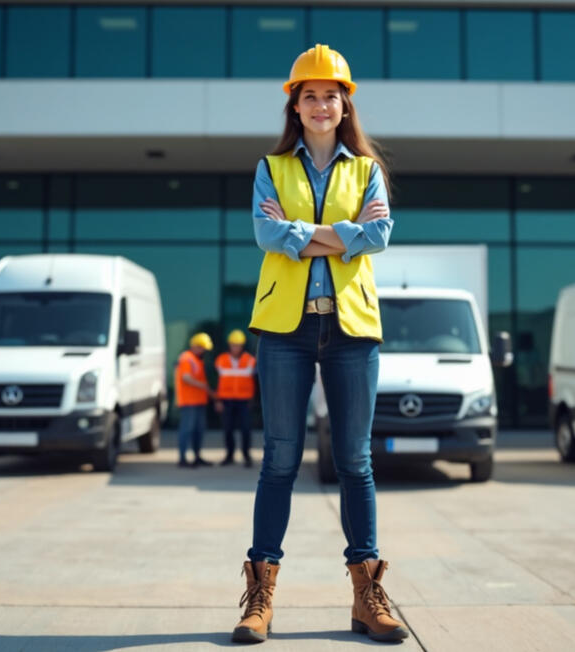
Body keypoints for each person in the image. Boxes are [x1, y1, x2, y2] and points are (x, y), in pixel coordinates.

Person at [231, 44, 408, 644]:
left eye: (331, 94)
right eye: (309, 94)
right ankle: (260, 598)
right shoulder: (270, 168)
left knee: (356, 462)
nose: (321, 103)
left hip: (351, 329)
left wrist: (299, 234)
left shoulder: (366, 169)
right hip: (284, 328)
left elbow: (380, 233)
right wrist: (343, 235)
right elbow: (265, 233)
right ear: (295, 105)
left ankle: (368, 596)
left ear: (344, 103)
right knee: (279, 460)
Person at [214, 329, 256, 467]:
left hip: (244, 400)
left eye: (238, 345)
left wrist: (252, 400)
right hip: (226, 400)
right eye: (233, 344)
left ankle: (246, 455)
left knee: (246, 429)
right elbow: (218, 381)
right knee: (228, 429)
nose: (235, 348)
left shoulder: (250, 360)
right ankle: (229, 455)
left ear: (242, 346)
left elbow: (255, 381)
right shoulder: (221, 360)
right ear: (229, 345)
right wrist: (218, 400)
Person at [175, 332, 214, 468]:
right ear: (196, 346)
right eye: (203, 348)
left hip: (199, 401)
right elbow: (186, 377)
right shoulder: (187, 358)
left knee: (199, 430)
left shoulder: (197, 360)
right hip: (188, 402)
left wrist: (210, 392)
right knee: (187, 430)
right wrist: (202, 385)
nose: (204, 351)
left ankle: (197, 457)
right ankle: (182, 458)